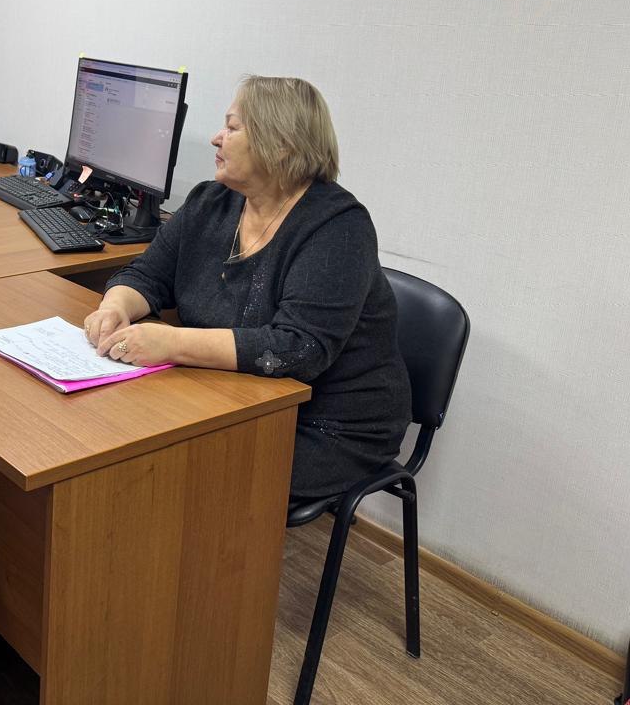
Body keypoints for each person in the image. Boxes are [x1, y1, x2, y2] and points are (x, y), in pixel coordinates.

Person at [83, 75, 411, 500]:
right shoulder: (210, 202)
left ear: (282, 145)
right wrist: (115, 306)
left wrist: (171, 343)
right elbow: (148, 274)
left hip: (326, 423)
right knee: (119, 438)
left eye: (233, 127)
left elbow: (298, 349)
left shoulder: (338, 228)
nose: (217, 138)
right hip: (231, 394)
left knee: (166, 472)